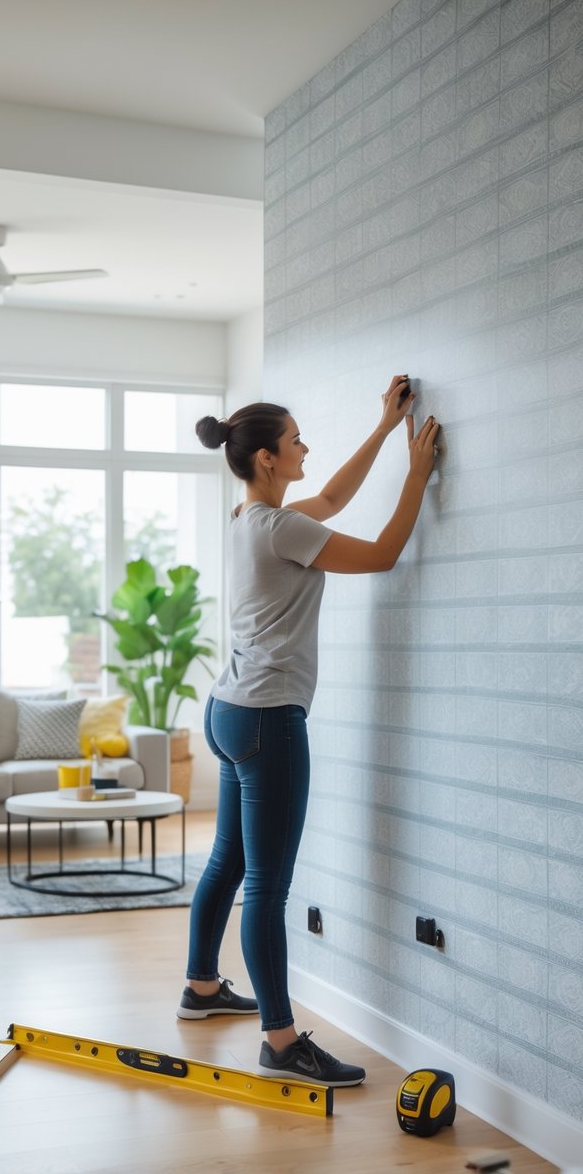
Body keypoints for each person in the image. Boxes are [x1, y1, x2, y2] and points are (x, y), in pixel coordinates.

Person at [176, 375, 441, 1088]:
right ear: (265, 457)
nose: (304, 448)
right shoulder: (279, 528)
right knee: (265, 884)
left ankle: (201, 988)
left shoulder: (247, 520)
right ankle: (280, 1042)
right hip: (267, 718)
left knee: (227, 864)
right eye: (294, 440)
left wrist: (385, 430)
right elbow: (383, 552)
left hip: (229, 710)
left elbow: (327, 502)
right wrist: (416, 475)